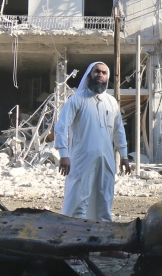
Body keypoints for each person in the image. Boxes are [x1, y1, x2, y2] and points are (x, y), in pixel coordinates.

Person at [52, 62, 131, 222]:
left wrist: (123, 155)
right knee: (79, 198)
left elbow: (119, 130)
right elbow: (61, 127)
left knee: (104, 197)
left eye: (103, 72)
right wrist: (64, 154)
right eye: (97, 72)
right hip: (81, 159)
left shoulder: (111, 102)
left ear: (107, 77)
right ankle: (75, 234)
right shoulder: (77, 99)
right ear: (90, 74)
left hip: (106, 159)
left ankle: (103, 234)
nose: (100, 75)